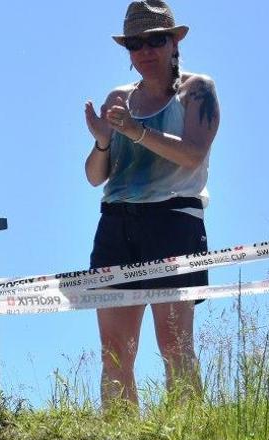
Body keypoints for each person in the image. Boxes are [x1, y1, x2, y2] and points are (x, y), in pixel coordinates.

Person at [83, 0, 219, 411]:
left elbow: (194, 154)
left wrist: (135, 131)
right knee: (114, 352)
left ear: (174, 42)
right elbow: (95, 176)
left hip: (174, 219)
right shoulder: (120, 98)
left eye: (154, 41)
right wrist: (104, 139)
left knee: (175, 346)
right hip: (116, 222)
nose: (144, 51)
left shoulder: (197, 89)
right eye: (134, 44)